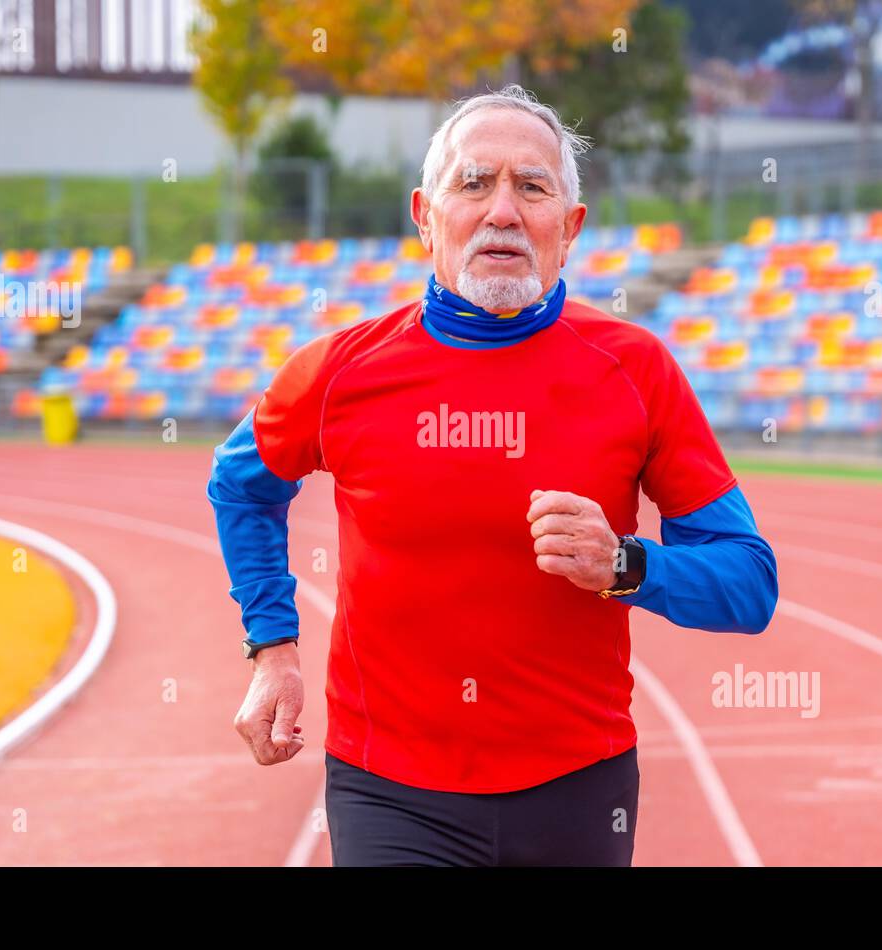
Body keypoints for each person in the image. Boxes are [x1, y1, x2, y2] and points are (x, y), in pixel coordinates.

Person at [207, 84, 778, 867]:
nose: (502, 211)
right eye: (473, 183)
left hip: (578, 786)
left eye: (531, 186)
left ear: (569, 228)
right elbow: (240, 484)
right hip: (389, 788)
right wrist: (271, 645)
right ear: (425, 215)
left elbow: (749, 585)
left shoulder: (635, 371)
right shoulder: (342, 372)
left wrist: (623, 565)